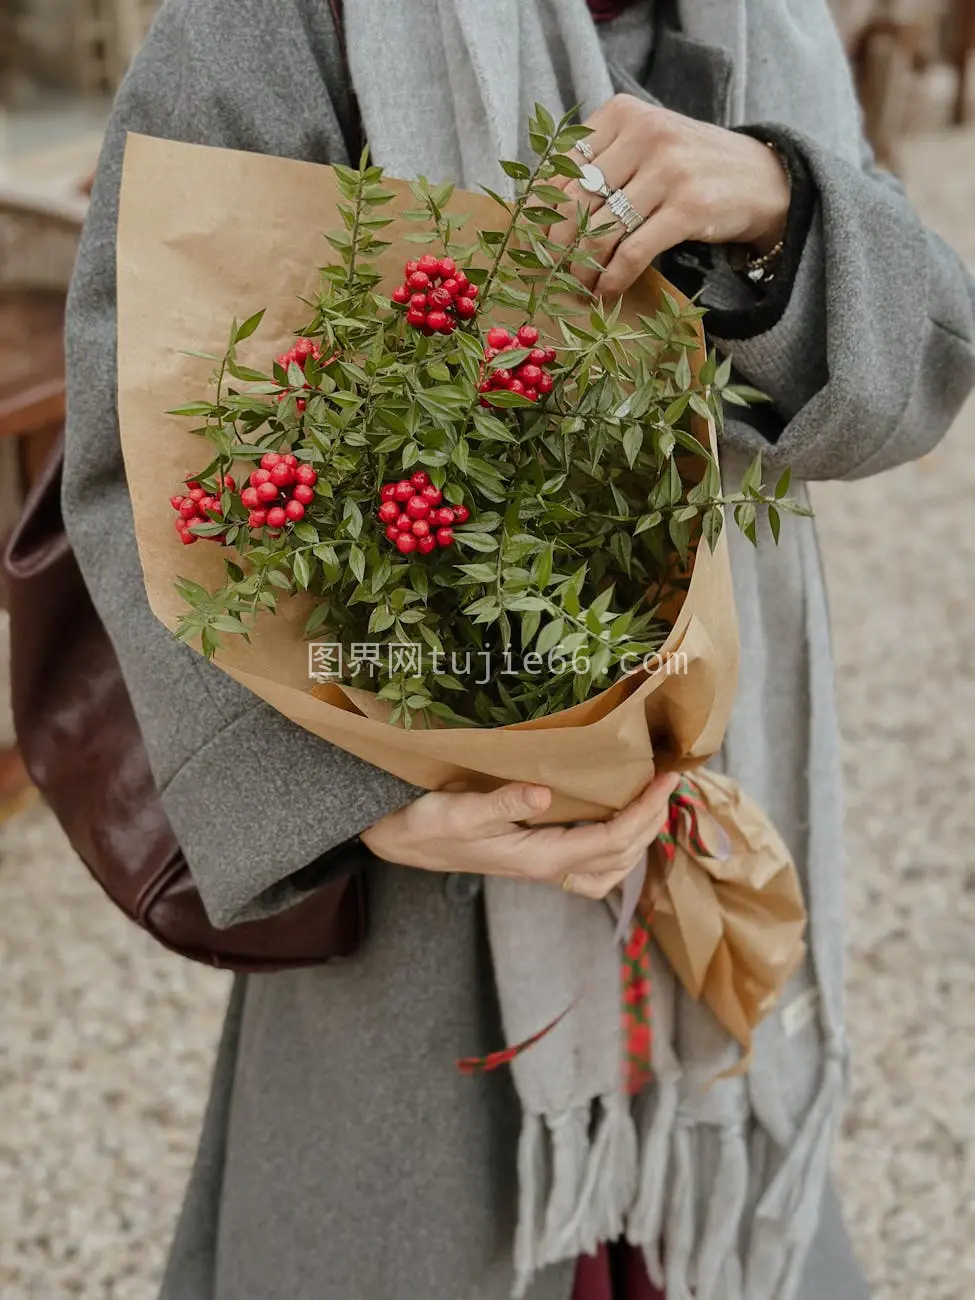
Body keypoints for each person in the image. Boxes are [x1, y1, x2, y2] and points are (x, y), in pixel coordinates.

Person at [62, 1, 975, 1298]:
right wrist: (363, 808)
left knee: (721, 1239)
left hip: (711, 843)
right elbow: (138, 451)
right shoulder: (274, 21)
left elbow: (921, 371)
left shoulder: (767, 22)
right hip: (423, 922)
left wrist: (784, 210)